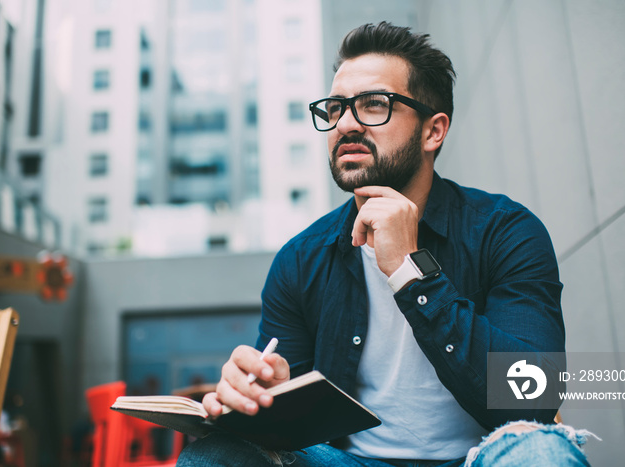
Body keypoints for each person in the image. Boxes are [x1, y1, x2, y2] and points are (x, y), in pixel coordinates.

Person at [177, 22, 595, 466]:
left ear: (433, 131)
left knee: (543, 453)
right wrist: (264, 394)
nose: (346, 124)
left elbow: (531, 399)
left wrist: (411, 273)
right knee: (216, 455)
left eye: (374, 105)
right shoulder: (300, 260)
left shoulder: (504, 230)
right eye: (336, 108)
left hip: (485, 458)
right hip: (348, 462)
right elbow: (287, 431)